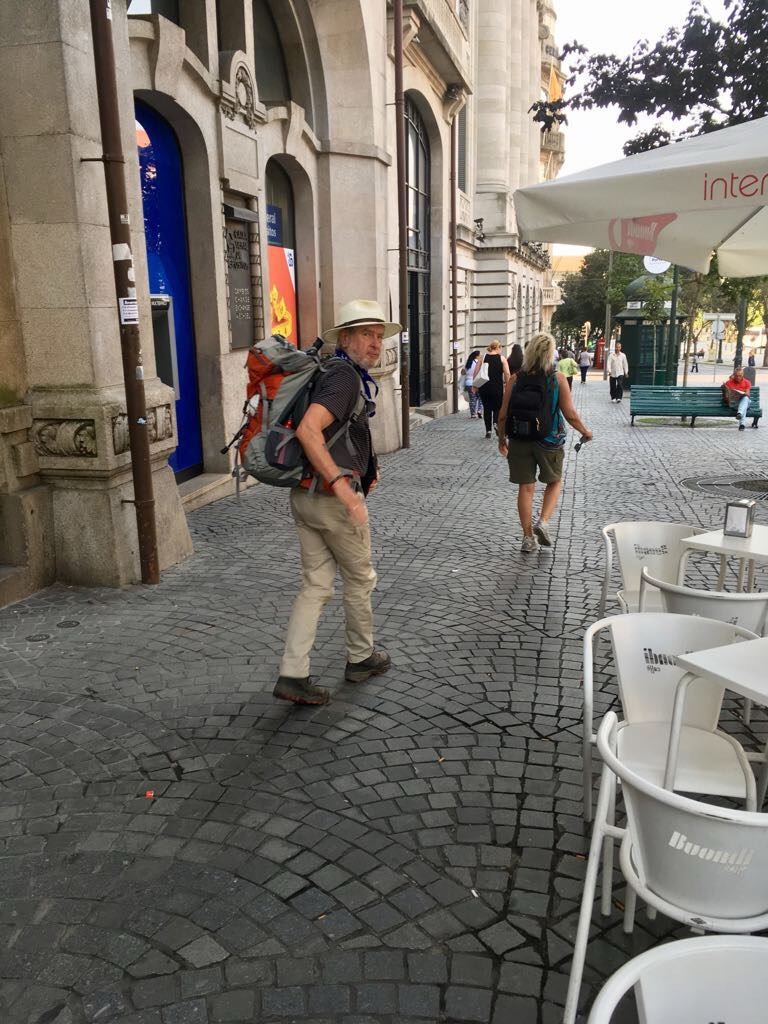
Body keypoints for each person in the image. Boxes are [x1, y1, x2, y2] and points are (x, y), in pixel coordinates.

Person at [273, 299, 398, 706]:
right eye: (366, 334)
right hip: (331, 500)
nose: (375, 343)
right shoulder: (343, 377)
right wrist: (344, 488)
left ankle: (293, 673)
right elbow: (309, 431)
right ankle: (361, 657)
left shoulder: (330, 371)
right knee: (360, 579)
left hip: (305, 495)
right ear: (344, 338)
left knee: (315, 585)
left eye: (378, 335)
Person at [498, 332, 593, 554]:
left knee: (526, 487)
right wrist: (585, 431)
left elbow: (502, 415)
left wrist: (502, 439)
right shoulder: (557, 379)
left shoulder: (515, 379)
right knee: (554, 481)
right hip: (549, 439)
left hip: (520, 439)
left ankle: (527, 538)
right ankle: (543, 521)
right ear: (550, 354)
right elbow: (570, 414)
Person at [473, 339, 510, 438]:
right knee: (497, 407)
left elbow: (476, 371)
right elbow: (507, 373)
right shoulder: (502, 358)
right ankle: (495, 423)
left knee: (487, 408)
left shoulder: (483, 357)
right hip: (497, 387)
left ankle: (488, 431)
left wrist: (474, 385)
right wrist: (508, 385)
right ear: (498, 347)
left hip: (484, 387)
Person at [722, 365, 751, 431]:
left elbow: (748, 394)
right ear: (734, 375)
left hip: (744, 401)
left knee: (745, 399)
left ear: (743, 375)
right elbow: (726, 398)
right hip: (734, 404)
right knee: (744, 407)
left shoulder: (747, 382)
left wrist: (742, 393)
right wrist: (726, 392)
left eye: (740, 375)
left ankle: (739, 413)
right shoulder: (729, 383)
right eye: (736, 375)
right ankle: (742, 423)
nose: (738, 377)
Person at [463, 350, 484, 420]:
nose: (481, 356)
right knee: (481, 398)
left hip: (468, 383)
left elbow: (463, 372)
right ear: (477, 356)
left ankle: (473, 414)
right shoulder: (479, 363)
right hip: (478, 382)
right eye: (480, 355)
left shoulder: (468, 363)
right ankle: (479, 410)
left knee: (472, 399)